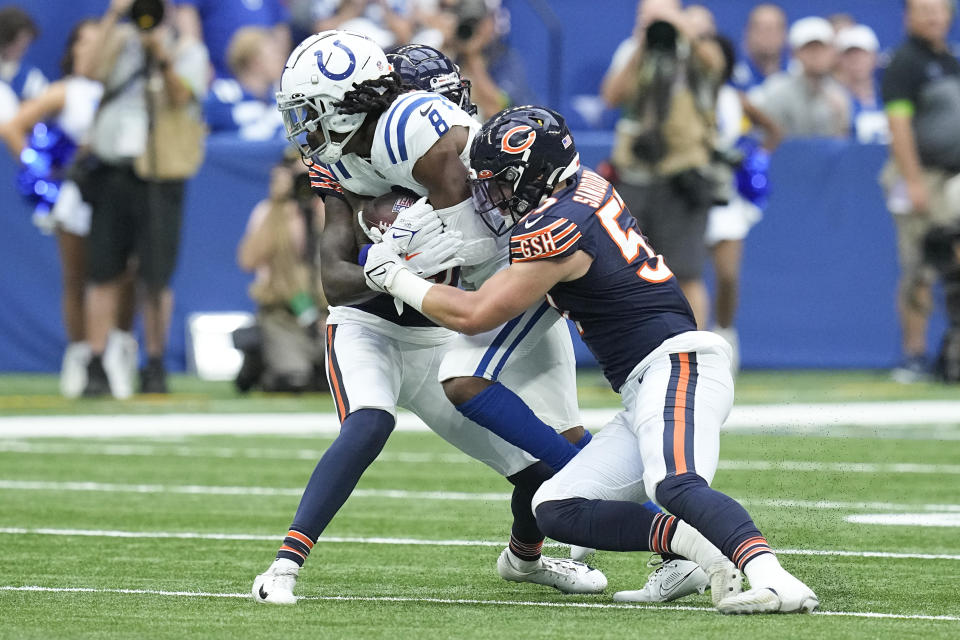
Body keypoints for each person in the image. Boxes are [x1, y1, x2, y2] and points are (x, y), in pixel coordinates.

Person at [363, 105, 819, 614]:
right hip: (646, 384)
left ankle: (775, 577)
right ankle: (696, 553)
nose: (495, 198)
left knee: (675, 484)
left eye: (501, 185)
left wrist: (397, 277)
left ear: (533, 175)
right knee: (555, 507)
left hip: (677, 365)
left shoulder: (556, 226)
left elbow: (476, 315)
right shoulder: (586, 190)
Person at [251, 32, 606, 605]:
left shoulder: (438, 148)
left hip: (439, 338)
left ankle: (526, 560)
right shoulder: (347, 163)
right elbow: (335, 280)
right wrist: (391, 265)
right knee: (370, 422)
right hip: (368, 327)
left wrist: (442, 248)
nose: (451, 122)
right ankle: (284, 567)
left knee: (542, 468)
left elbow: (481, 250)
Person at [0, 19, 139, 399]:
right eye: (83, 45)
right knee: (79, 278)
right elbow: (13, 127)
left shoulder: (125, 88)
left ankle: (119, 351)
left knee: (126, 275)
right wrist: (43, 176)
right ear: (73, 50)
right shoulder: (66, 91)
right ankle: (81, 358)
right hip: (79, 196)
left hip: (121, 192)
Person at [82, 0, 209, 396]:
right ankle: (96, 364)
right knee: (103, 272)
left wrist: (160, 53)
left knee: (156, 276)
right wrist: (113, 16)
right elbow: (86, 72)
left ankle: (153, 363)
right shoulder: (118, 40)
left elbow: (179, 97)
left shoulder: (189, 50)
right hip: (114, 171)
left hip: (161, 173)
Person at [601, 0, 727, 328]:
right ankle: (631, 354)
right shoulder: (632, 51)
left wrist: (681, 29)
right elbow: (612, 96)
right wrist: (643, 43)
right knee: (626, 271)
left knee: (686, 271)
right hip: (635, 174)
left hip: (682, 175)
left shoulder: (696, 51)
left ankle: (696, 355)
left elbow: (716, 68)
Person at [881, 0, 960, 382]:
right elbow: (899, 124)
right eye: (925, 9)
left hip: (954, 178)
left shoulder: (949, 59)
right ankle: (913, 354)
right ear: (908, 16)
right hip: (922, 175)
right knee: (920, 268)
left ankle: (952, 352)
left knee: (953, 268)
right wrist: (912, 180)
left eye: (940, 9)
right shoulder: (904, 62)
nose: (934, 17)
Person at [236, 152, 327, 392]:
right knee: (293, 380)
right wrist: (279, 207)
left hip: (326, 315)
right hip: (283, 313)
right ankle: (258, 362)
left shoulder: (330, 209)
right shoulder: (269, 212)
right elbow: (248, 261)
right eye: (299, 177)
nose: (304, 184)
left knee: (334, 380)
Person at [751, 16, 850, 138]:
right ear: (795, 53)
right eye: (809, 49)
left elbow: (841, 146)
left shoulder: (838, 95)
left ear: (832, 52)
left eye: (822, 49)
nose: (816, 55)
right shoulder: (776, 91)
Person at [204, 27, 285, 140]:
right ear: (255, 62)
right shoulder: (223, 96)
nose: (281, 59)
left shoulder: (283, 97)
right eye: (273, 54)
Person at [176, 0, 291, 79]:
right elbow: (187, 16)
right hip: (217, 75)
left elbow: (280, 28)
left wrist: (282, 65)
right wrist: (200, 64)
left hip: (262, 80)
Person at [835, 24, 889, 144]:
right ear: (839, 60)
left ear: (874, 57)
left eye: (862, 54)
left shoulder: (889, 94)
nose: (856, 60)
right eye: (849, 55)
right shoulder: (833, 100)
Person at [0, 6, 48, 116]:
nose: (22, 49)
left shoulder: (31, 78)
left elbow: (44, 110)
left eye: (25, 45)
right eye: (18, 42)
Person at [731, 3, 789, 95]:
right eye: (761, 28)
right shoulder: (732, 76)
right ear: (748, 33)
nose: (768, 35)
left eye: (774, 29)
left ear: (785, 34)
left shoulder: (797, 72)